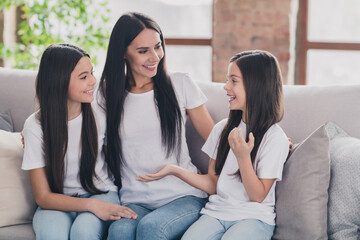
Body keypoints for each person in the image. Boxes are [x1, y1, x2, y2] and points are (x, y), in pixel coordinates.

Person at [138, 50, 290, 240]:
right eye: (228, 80)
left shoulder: (275, 138)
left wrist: (243, 157)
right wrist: (174, 170)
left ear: (256, 86)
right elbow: (213, 184)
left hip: (253, 218)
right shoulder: (222, 129)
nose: (226, 87)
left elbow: (257, 196)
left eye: (234, 81)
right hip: (216, 214)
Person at [95, 12, 215, 240]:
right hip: (134, 199)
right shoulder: (106, 95)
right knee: (119, 233)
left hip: (183, 196)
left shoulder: (180, 84)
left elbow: (217, 139)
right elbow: (86, 138)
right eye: (143, 51)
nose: (155, 57)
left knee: (151, 229)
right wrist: (39, 133)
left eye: (158, 47)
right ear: (123, 52)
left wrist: (267, 141)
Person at [21, 43, 137, 240]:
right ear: (59, 82)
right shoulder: (35, 126)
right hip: (58, 200)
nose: (93, 81)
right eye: (83, 77)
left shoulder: (100, 112)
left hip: (101, 192)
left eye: (91, 73)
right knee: (51, 234)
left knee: (83, 232)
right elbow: (43, 197)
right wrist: (91, 205)